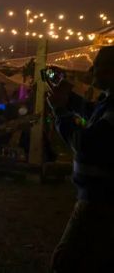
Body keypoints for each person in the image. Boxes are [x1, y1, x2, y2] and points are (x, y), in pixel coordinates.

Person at [47, 46, 114, 272]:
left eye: (98, 66)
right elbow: (91, 111)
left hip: (100, 200)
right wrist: (68, 100)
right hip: (99, 197)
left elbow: (86, 145)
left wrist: (60, 112)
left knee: (65, 261)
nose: (92, 70)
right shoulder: (108, 102)